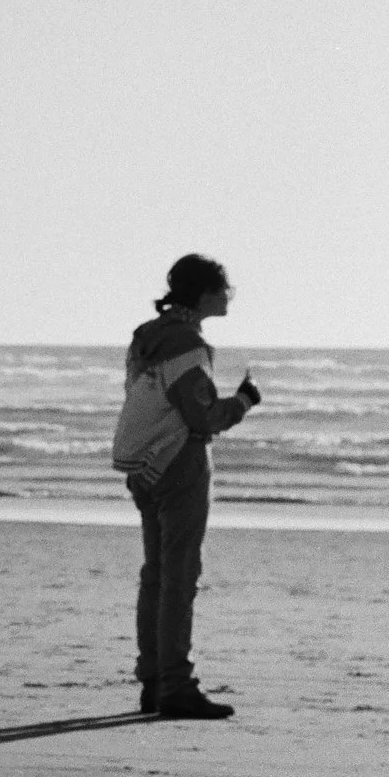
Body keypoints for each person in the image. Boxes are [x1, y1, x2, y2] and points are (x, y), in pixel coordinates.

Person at [111, 253, 259, 720]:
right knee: (179, 578)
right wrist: (242, 401)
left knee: (156, 575)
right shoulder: (186, 346)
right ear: (203, 294)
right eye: (224, 289)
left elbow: (143, 397)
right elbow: (202, 416)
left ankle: (153, 679)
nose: (228, 296)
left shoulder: (146, 338)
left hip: (144, 463)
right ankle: (176, 685)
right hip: (180, 462)